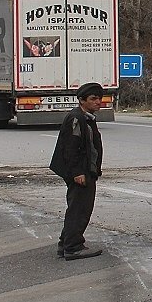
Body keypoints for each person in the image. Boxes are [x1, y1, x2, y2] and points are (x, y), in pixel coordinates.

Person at [49, 82, 106, 260]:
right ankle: (73, 247)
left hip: (85, 170)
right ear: (82, 100)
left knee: (77, 208)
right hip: (80, 172)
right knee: (80, 210)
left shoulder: (86, 117)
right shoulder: (77, 118)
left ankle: (65, 244)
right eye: (93, 99)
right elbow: (71, 149)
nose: (98, 102)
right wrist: (77, 173)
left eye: (99, 98)